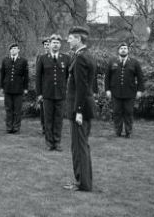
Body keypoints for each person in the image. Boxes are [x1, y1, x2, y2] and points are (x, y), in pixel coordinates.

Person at [64, 26, 96, 192]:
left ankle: (83, 184)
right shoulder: (84, 55)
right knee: (81, 146)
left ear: (78, 39)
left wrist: (78, 112)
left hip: (80, 110)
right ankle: (83, 181)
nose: (68, 40)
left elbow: (82, 88)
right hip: (83, 108)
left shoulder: (81, 58)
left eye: (70, 38)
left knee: (79, 147)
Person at [36, 34, 70, 151]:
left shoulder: (66, 58)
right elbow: (38, 78)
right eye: (53, 43)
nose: (55, 45)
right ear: (49, 44)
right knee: (48, 119)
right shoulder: (43, 58)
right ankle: (49, 143)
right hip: (47, 94)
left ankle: (57, 142)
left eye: (57, 43)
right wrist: (39, 94)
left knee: (59, 119)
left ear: (60, 45)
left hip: (60, 94)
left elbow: (67, 76)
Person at [104, 42, 144, 138]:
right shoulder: (112, 61)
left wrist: (139, 90)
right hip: (115, 92)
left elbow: (140, 77)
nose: (123, 50)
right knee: (117, 112)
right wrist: (107, 90)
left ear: (128, 50)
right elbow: (107, 77)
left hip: (130, 93)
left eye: (125, 48)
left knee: (129, 112)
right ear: (118, 50)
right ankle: (117, 132)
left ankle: (128, 132)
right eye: (121, 48)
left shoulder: (134, 62)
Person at [0, 43, 29, 134]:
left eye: (15, 49)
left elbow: (26, 76)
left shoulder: (23, 61)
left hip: (18, 89)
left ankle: (16, 127)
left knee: (17, 109)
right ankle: (9, 127)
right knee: (8, 109)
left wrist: (25, 88)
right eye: (11, 49)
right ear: (9, 51)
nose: (13, 50)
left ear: (18, 50)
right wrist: (2, 87)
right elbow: (2, 75)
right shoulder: (5, 60)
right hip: (7, 88)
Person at [36, 37, 50, 135]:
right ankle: (44, 128)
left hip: (52, 87)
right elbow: (38, 74)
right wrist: (39, 91)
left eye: (48, 44)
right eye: (45, 45)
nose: (46, 46)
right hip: (43, 87)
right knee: (43, 110)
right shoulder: (40, 57)